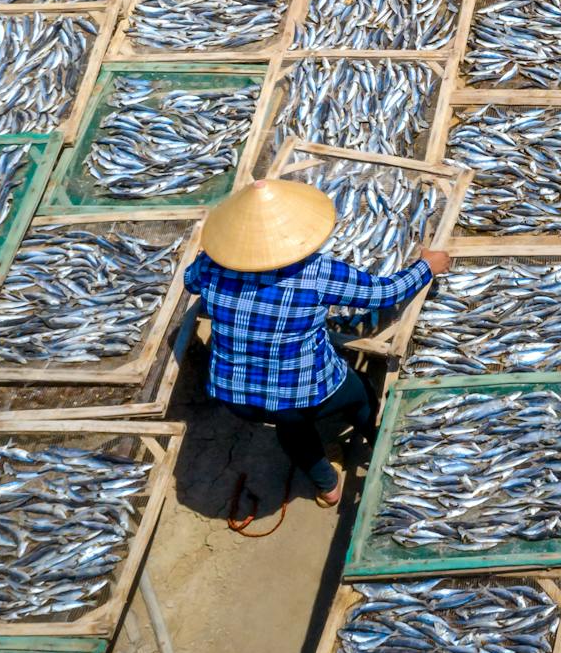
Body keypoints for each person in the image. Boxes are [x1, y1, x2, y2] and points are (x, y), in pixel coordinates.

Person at [185, 178, 449, 505]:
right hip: (302, 393)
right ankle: (381, 445)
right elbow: (384, 294)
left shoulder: (212, 264)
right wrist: (427, 266)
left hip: (233, 396)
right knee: (360, 394)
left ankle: (328, 487)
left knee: (289, 424)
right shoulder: (316, 271)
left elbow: (190, 282)